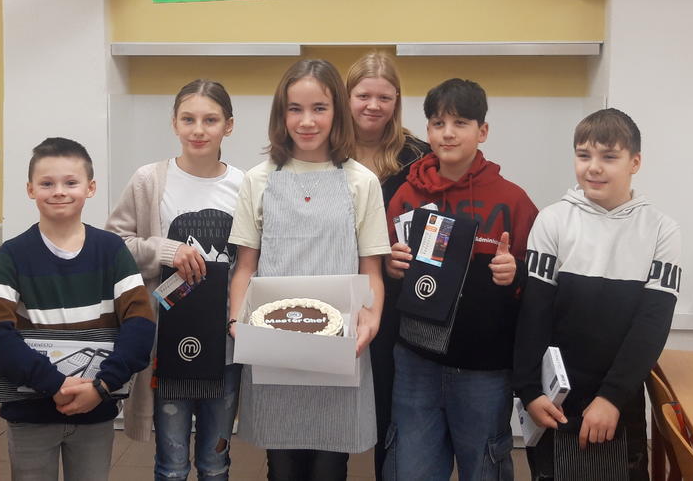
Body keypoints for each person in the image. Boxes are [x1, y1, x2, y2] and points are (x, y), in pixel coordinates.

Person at [227, 58, 389, 481]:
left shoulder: (361, 181)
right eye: (295, 109)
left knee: (330, 466)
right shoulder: (258, 179)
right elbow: (245, 267)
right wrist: (236, 321)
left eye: (319, 108)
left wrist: (371, 318)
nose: (307, 121)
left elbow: (371, 268)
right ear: (281, 114)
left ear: (337, 112)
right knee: (281, 467)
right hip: (273, 342)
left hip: (340, 346)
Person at [513, 108, 681, 481]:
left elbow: (651, 325)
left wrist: (611, 397)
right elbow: (534, 313)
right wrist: (529, 390)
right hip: (554, 400)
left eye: (609, 156)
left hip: (619, 401)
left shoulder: (661, 230)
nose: (594, 167)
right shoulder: (553, 220)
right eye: (584, 155)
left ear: (635, 162)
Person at [382, 78, 537, 481]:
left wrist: (515, 273)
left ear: (482, 131)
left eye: (460, 123)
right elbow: (385, 268)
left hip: (484, 368)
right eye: (438, 123)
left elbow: (536, 282)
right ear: (428, 130)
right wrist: (391, 266)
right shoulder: (406, 196)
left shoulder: (512, 200)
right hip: (416, 362)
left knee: (484, 467)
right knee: (411, 470)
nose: (447, 133)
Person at [0, 137, 155, 481]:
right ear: (30, 189)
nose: (59, 191)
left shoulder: (112, 251)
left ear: (90, 188)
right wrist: (54, 384)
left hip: (96, 408)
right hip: (29, 415)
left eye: (70, 182)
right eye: (47, 183)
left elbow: (140, 325)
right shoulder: (12, 255)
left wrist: (102, 387)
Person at [105, 80, 244, 481]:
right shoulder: (149, 180)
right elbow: (114, 244)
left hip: (226, 345)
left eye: (210, 120)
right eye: (188, 119)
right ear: (174, 123)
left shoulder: (246, 185)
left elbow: (253, 260)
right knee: (171, 465)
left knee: (216, 463)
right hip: (167, 342)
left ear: (228, 125)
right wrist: (165, 250)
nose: (198, 130)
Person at [345, 52, 429, 480]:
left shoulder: (419, 156)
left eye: (385, 97)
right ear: (347, 96)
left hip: (397, 299)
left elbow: (436, 226)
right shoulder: (326, 150)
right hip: (337, 289)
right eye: (364, 95)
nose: (373, 106)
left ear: (397, 100)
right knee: (332, 403)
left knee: (390, 406)